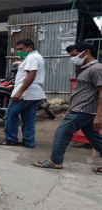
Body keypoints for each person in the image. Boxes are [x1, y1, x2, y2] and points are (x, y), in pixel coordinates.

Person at [32, 42, 102, 172]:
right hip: (83, 110)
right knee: (96, 138)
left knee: (62, 133)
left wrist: (99, 115)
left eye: (75, 55)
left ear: (86, 52)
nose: (73, 58)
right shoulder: (87, 69)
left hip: (83, 110)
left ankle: (56, 161)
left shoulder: (96, 69)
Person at [0, 39, 46, 148]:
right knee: (28, 118)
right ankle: (29, 141)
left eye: (21, 49)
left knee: (11, 116)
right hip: (34, 94)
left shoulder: (32, 58)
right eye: (18, 49)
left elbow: (31, 75)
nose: (19, 52)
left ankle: (11, 139)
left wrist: (20, 92)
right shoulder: (37, 57)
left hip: (25, 94)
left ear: (30, 47)